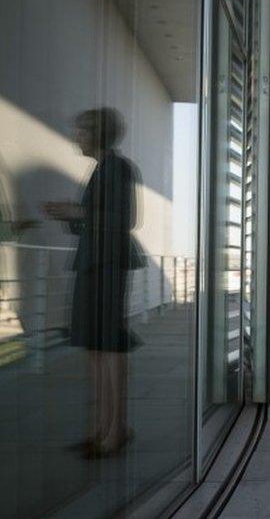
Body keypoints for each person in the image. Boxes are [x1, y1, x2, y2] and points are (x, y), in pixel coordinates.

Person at [45, 107, 144, 459]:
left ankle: (113, 431)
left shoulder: (118, 168)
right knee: (96, 346)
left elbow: (126, 219)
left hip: (107, 264)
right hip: (95, 263)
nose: (76, 137)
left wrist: (78, 213)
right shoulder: (104, 169)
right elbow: (98, 219)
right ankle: (102, 428)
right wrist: (72, 214)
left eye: (81, 131)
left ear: (97, 134)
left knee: (108, 345)